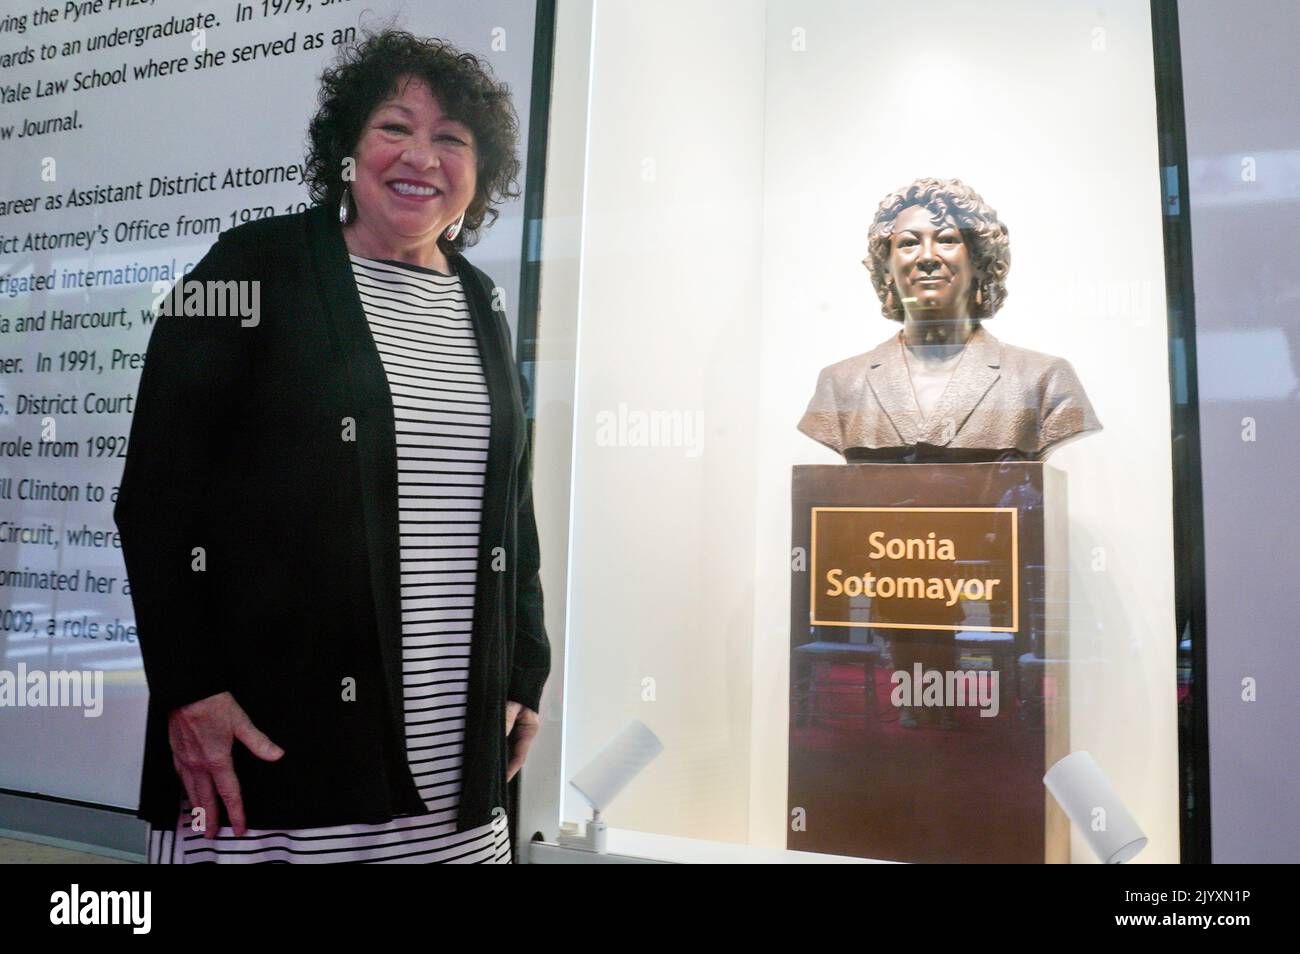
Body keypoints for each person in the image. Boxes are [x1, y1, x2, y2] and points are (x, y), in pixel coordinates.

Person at [114, 30, 549, 863]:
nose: (421, 155)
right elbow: (156, 501)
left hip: (453, 777)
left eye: (452, 138)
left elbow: (511, 515)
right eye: (395, 127)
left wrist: (523, 673)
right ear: (346, 151)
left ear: (478, 175)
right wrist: (189, 690)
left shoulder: (481, 300)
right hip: (272, 762)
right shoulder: (254, 266)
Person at [797, 177, 1102, 462]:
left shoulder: (1044, 381)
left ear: (979, 261)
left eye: (946, 239)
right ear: (887, 269)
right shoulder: (841, 384)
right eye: (908, 243)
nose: (927, 256)